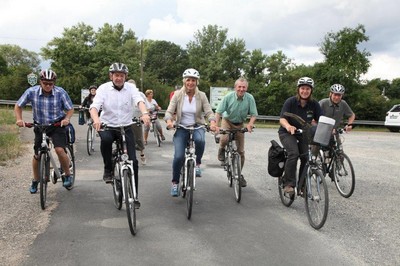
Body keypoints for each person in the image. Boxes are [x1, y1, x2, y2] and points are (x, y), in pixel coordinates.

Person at [89, 63, 150, 207]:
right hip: (108, 125)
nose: (119, 78)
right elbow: (94, 107)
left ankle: (134, 195)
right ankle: (108, 169)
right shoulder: (103, 88)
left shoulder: (131, 88)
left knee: (133, 162)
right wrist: (96, 120)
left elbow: (139, 101)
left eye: (122, 76)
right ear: (111, 76)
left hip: (125, 126)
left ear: (125, 77)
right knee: (106, 140)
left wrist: (145, 113)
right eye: (116, 75)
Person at [14, 69, 75, 193]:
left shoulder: (60, 92)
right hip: (40, 125)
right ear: (40, 82)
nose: (48, 86)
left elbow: (70, 109)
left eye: (50, 83)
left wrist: (67, 119)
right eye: (45, 83)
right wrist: (19, 119)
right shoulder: (31, 92)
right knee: (37, 155)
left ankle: (67, 174)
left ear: (54, 83)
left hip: (57, 125)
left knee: (59, 149)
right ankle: (35, 180)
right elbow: (18, 105)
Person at [164, 68, 217, 196]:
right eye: (188, 80)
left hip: (197, 126)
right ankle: (175, 183)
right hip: (181, 127)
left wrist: (213, 122)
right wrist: (169, 121)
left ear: (196, 82)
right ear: (184, 81)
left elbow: (209, 111)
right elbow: (169, 112)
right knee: (178, 156)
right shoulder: (178, 95)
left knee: (200, 140)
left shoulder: (202, 95)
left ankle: (197, 163)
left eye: (193, 80)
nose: (190, 83)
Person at [278, 77, 323, 195]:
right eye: (302, 88)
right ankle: (289, 184)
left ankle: (302, 185)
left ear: (311, 90)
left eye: (308, 89)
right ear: (298, 89)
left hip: (303, 133)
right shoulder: (290, 101)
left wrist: (327, 129)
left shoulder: (314, 104)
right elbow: (282, 119)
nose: (305, 91)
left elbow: (321, 120)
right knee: (294, 153)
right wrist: (288, 126)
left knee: (306, 157)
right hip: (287, 133)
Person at [215, 77, 258, 187]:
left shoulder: (250, 98)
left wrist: (250, 124)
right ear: (235, 87)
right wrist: (215, 125)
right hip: (227, 121)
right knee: (224, 138)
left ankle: (238, 174)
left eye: (244, 87)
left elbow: (254, 114)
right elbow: (218, 112)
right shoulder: (228, 97)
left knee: (241, 152)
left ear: (246, 88)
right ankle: (221, 149)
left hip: (240, 124)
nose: (241, 89)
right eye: (239, 87)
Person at [127, 79, 147, 165]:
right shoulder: (124, 94)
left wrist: (143, 115)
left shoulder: (140, 95)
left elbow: (144, 106)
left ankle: (142, 154)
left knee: (139, 138)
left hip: (136, 118)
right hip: (126, 119)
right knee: (126, 138)